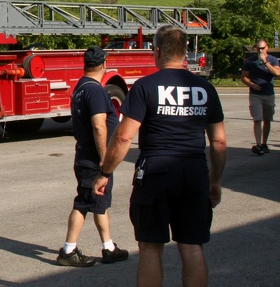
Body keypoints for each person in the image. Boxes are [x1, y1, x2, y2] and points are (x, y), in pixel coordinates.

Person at [94, 24, 227, 287]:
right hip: (194, 173)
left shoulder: (145, 87)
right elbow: (219, 141)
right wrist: (215, 181)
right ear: (184, 52)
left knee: (151, 247)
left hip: (155, 173)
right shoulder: (205, 88)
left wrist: (105, 173)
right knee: (191, 247)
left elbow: (123, 137)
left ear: (157, 51)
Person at [57, 46, 129, 267]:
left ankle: (108, 247)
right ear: (104, 64)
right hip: (93, 158)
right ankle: (68, 251)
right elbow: (99, 126)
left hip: (85, 154)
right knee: (85, 202)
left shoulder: (80, 86)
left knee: (98, 202)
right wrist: (104, 157)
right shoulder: (96, 90)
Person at [241, 39, 280, 155]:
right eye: (258, 48)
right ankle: (258, 144)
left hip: (268, 93)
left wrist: (265, 63)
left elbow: (277, 73)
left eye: (262, 48)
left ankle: (264, 143)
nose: (260, 50)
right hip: (255, 94)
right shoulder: (250, 61)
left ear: (267, 48)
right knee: (257, 119)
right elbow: (243, 77)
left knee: (267, 119)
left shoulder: (272, 60)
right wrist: (251, 84)